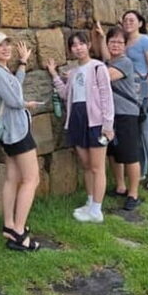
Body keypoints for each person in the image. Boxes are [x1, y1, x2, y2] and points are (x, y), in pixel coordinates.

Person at [48, 31, 115, 223]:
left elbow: (106, 97)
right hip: (77, 120)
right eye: (74, 45)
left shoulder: (98, 67)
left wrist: (107, 125)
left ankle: (96, 210)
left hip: (95, 122)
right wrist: (53, 74)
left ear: (88, 45)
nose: (78, 48)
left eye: (81, 44)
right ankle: (90, 201)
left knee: (97, 167)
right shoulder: (75, 72)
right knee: (86, 165)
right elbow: (65, 94)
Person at [0, 32, 41, 252]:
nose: (6, 48)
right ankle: (18, 231)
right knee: (31, 179)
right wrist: (28, 104)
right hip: (17, 132)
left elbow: (14, 88)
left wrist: (23, 63)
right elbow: (15, 100)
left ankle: (9, 225)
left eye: (7, 44)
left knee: (13, 178)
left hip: (9, 132)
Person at [94, 23, 142, 210]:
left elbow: (105, 77)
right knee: (113, 153)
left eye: (119, 42)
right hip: (110, 115)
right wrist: (99, 35)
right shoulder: (110, 60)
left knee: (130, 154)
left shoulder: (125, 62)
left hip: (126, 113)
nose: (115, 45)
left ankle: (133, 193)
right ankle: (121, 187)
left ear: (125, 45)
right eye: (112, 42)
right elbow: (105, 55)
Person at [120, 10, 148, 190]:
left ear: (140, 23)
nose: (128, 22)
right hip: (131, 95)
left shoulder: (145, 41)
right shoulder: (124, 42)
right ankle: (142, 170)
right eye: (125, 20)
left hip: (145, 92)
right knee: (136, 136)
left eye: (132, 20)